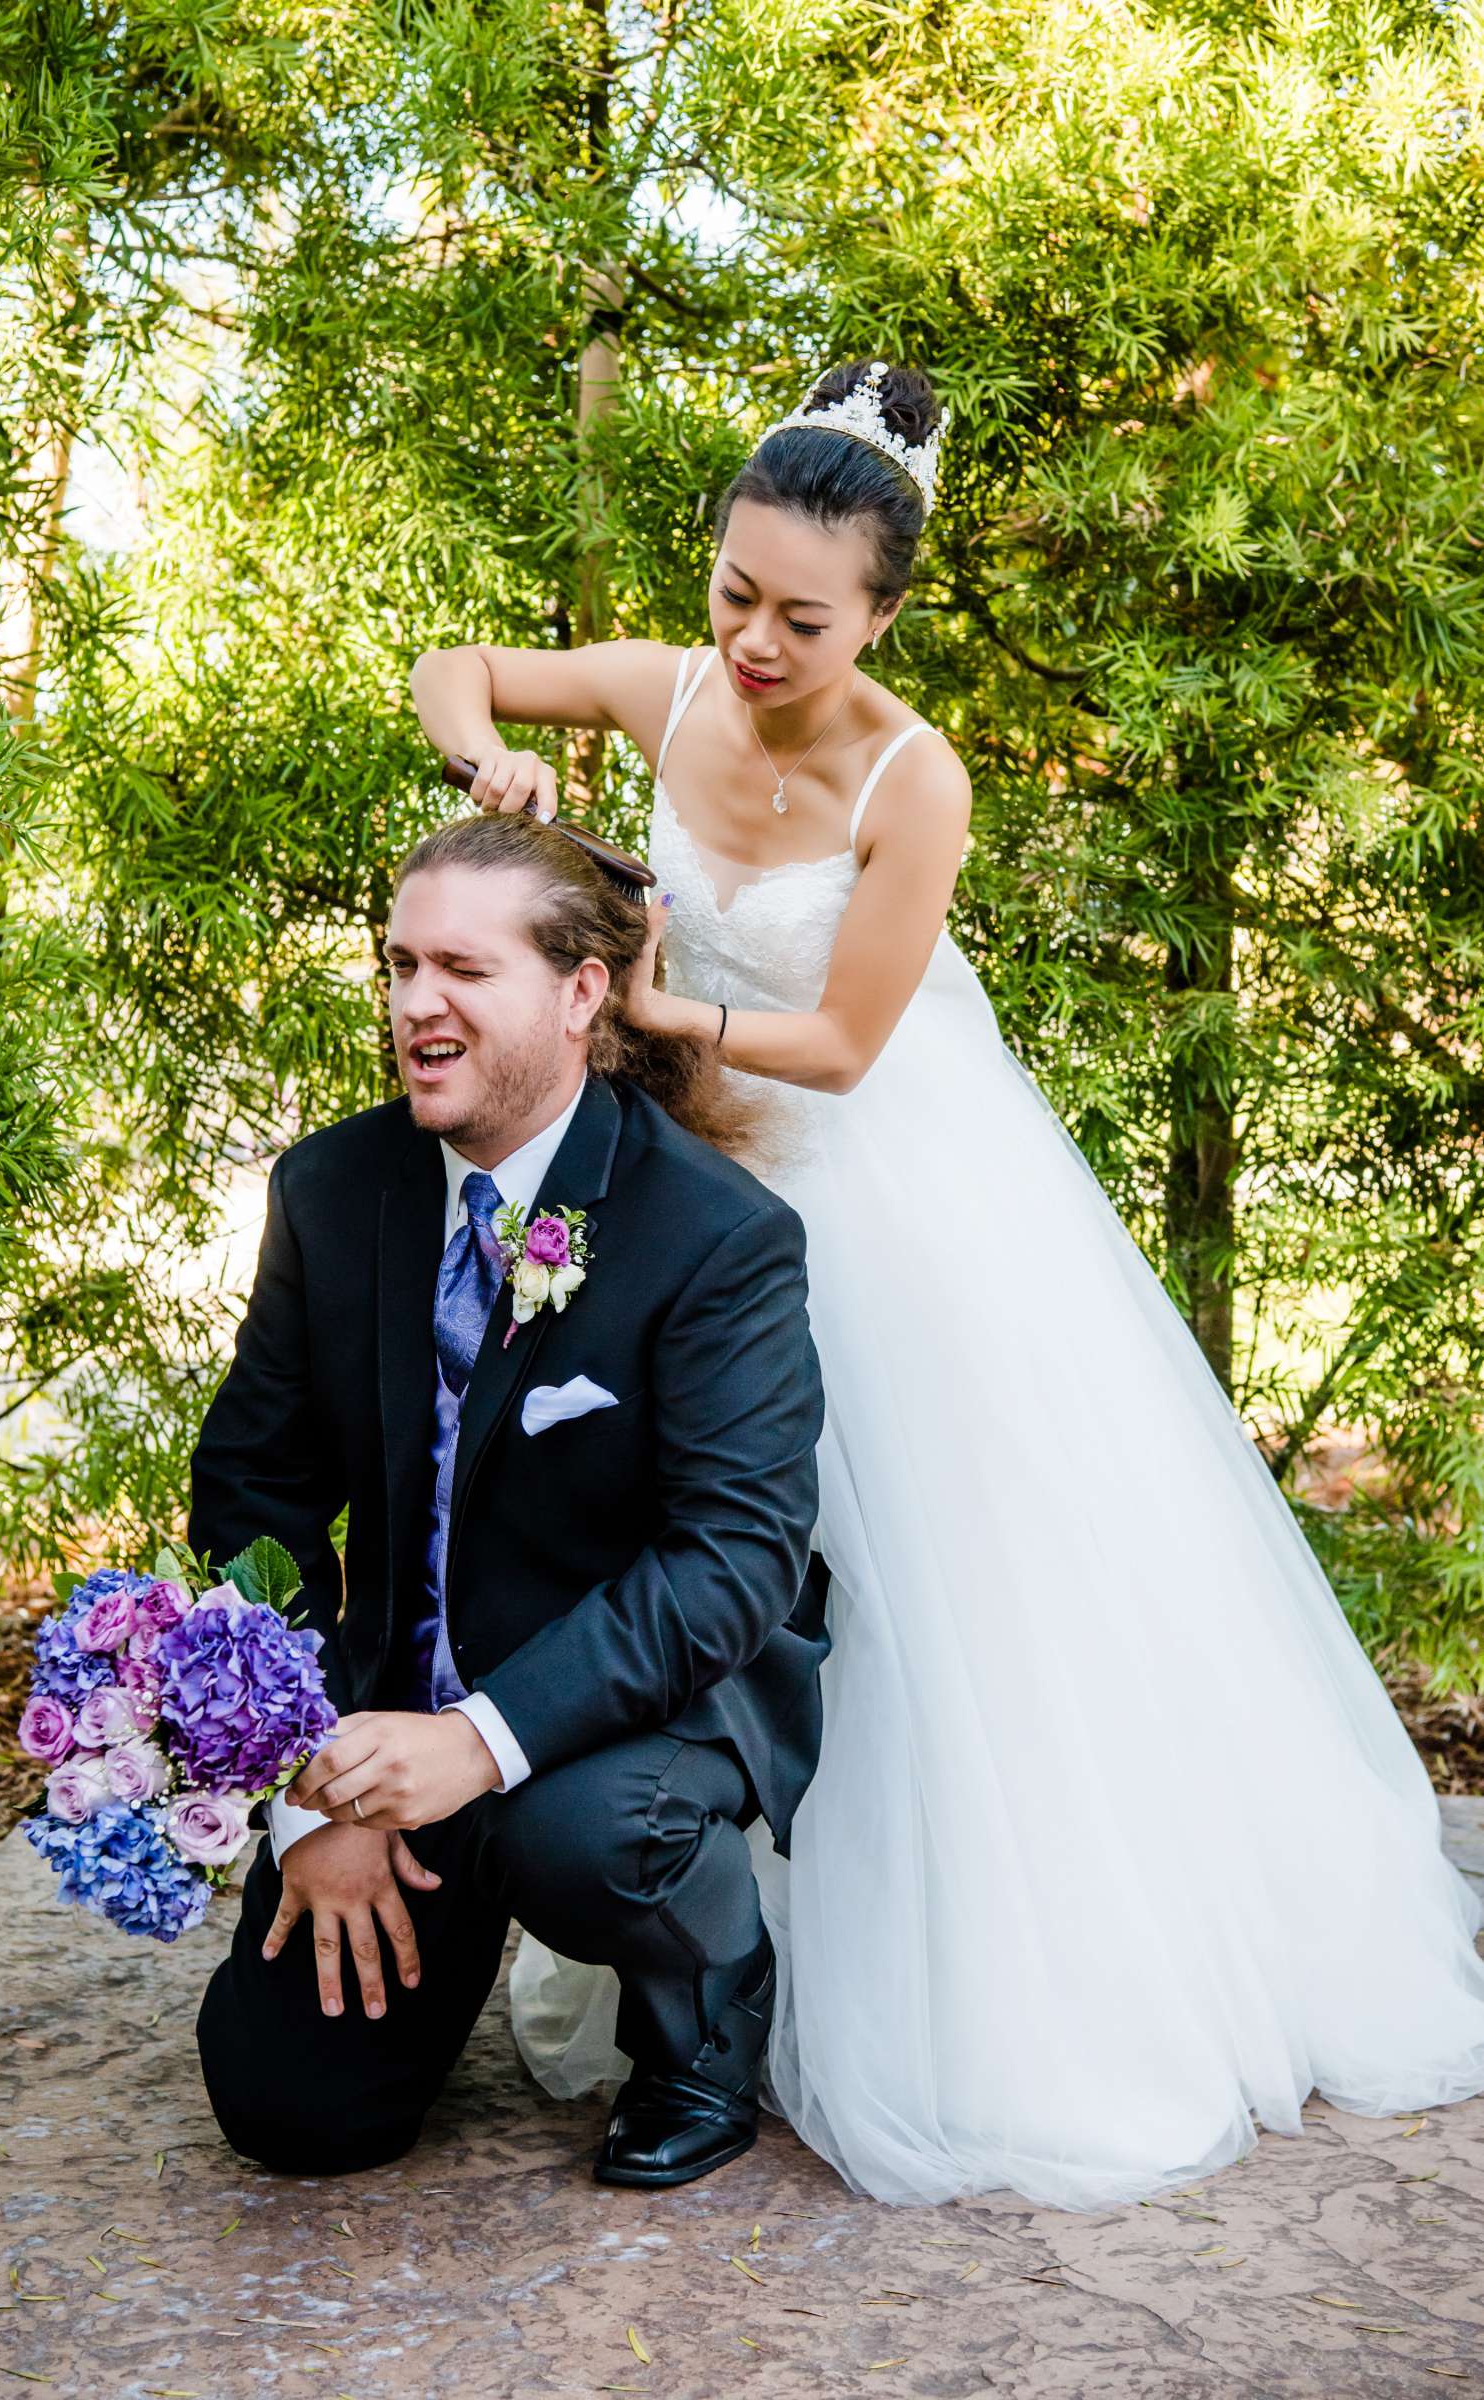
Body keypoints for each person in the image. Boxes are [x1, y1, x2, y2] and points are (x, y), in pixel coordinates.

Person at [406, 358, 1484, 2212]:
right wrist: (481, 754)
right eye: (733, 591)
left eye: (800, 617)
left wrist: (660, 1012)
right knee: (655, 1532)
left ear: (884, 613)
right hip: (683, 1183)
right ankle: (679, 1904)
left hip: (873, 1191)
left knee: (924, 1595)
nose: (749, 639)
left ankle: (936, 1981)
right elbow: (455, 664)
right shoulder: (670, 687)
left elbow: (837, 1039)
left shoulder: (919, 778)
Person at [190, 811, 829, 2188]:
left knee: (584, 1838)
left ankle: (703, 2020)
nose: (417, 1002)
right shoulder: (331, 1187)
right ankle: (435, 1897)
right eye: (400, 963)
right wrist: (313, 1781)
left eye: (463, 970)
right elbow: (254, 1494)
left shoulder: (714, 1236)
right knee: (291, 2117)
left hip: (629, 1710)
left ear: (581, 993)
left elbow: (735, 1559)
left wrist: (480, 1743)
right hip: (385, 1714)